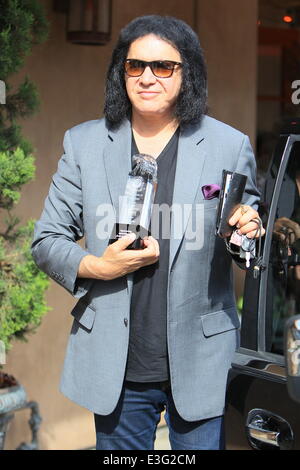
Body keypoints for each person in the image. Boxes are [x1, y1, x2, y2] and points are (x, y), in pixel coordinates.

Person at [31, 15, 264, 450]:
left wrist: (247, 231)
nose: (147, 77)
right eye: (135, 66)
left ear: (187, 72)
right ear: (121, 72)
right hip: (116, 365)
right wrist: (97, 265)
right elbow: (47, 240)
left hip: (201, 360)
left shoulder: (227, 145)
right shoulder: (83, 144)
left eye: (163, 67)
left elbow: (246, 237)